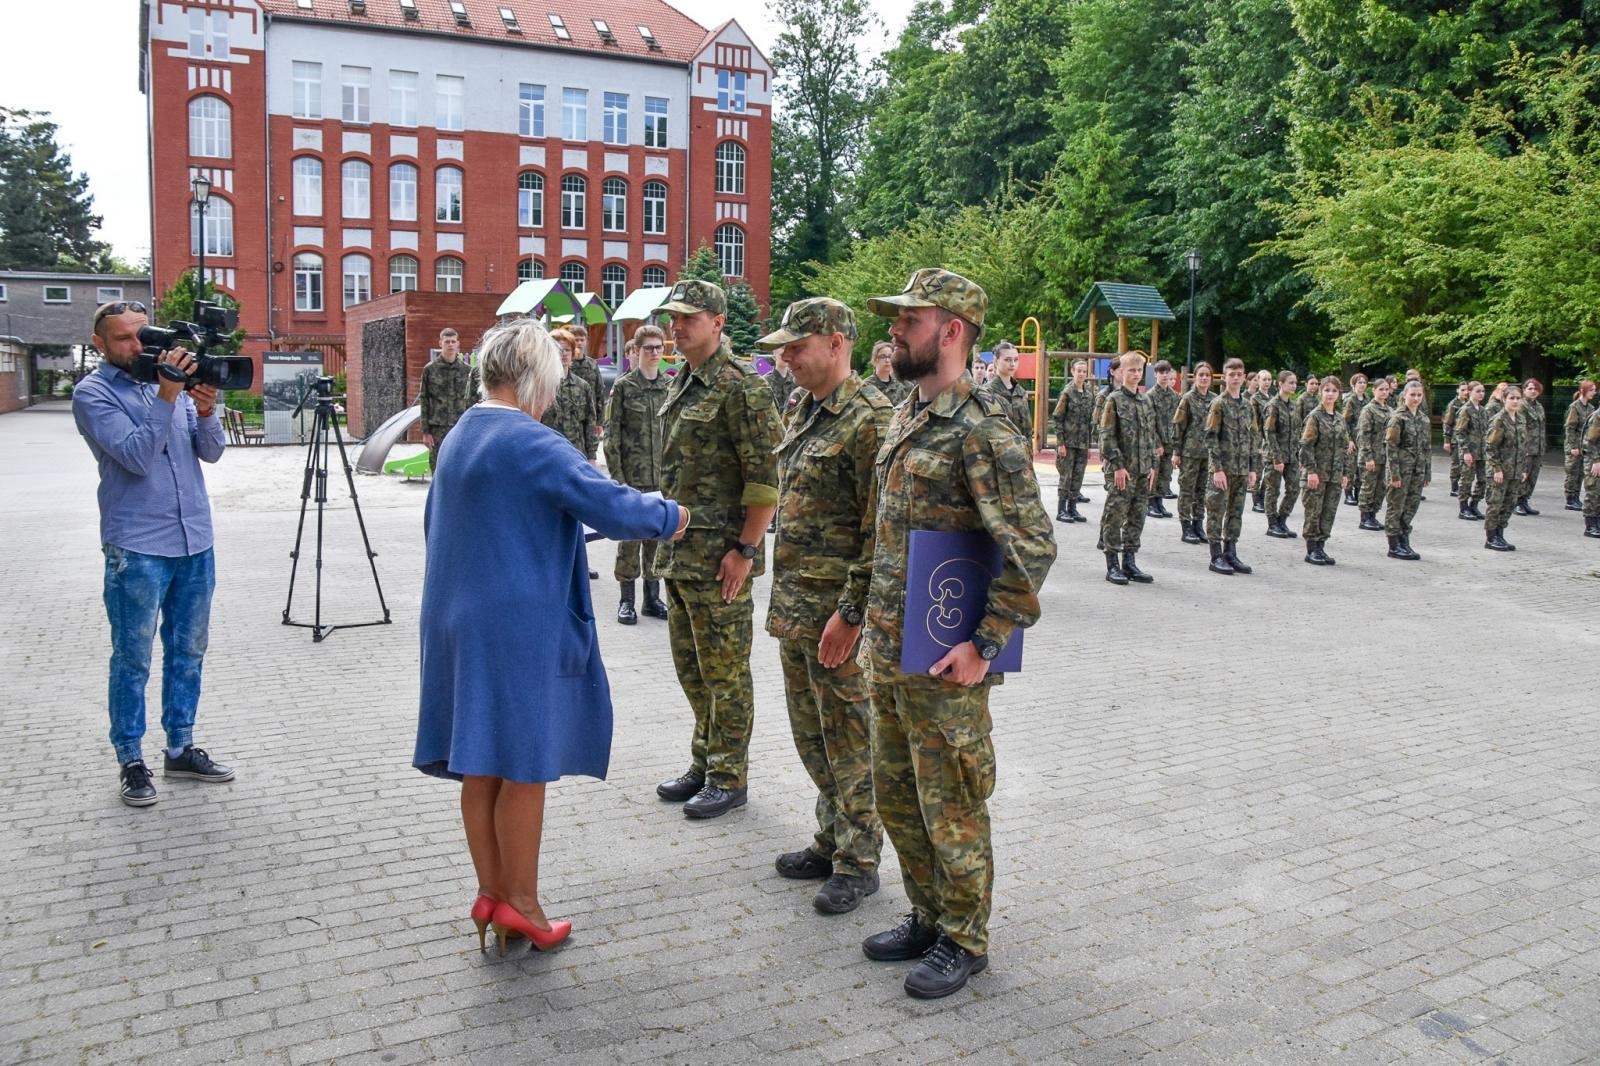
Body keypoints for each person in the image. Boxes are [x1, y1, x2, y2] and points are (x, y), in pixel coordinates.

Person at [413, 319, 689, 956]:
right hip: (514, 627)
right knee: (524, 767)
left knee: (479, 763)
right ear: (536, 378)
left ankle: (492, 893)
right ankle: (525, 906)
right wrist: (673, 515)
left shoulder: (462, 433)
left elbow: (478, 520)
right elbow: (613, 504)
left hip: (457, 619)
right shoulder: (530, 440)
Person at [859, 267, 1055, 1000]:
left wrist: (987, 642)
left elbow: (1031, 545)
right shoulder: (909, 413)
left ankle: (965, 938)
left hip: (944, 665)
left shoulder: (982, 428)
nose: (894, 331)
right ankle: (927, 913)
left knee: (953, 803)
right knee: (898, 795)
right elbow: (884, 536)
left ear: (951, 332)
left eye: (909, 322)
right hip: (890, 652)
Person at [758, 297, 892, 916]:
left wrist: (852, 612)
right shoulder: (803, 407)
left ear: (836, 343)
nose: (784, 358)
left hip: (838, 615)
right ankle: (830, 835)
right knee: (813, 736)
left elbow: (881, 530)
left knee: (850, 739)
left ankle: (859, 860)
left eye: (796, 346)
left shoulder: (871, 418)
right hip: (796, 608)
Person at [73, 300, 235, 807]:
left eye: (143, 333)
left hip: (194, 541)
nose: (138, 345)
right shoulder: (93, 393)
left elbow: (210, 451)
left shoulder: (176, 384)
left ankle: (180, 747)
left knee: (189, 652)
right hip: (138, 545)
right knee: (133, 658)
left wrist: (205, 410)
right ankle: (131, 759)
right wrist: (168, 395)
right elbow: (138, 458)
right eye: (123, 338)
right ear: (100, 344)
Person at [652, 280, 783, 819]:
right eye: (672, 318)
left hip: (721, 559)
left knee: (726, 672)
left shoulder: (741, 388)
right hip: (679, 554)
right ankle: (705, 760)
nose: (675, 326)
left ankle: (730, 776)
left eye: (687, 317)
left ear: (717, 322)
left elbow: (767, 478)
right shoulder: (681, 382)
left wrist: (746, 550)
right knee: (692, 669)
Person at [603, 324, 671, 624]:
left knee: (657, 541)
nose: (654, 352)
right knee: (629, 542)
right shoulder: (624, 387)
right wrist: (619, 480)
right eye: (648, 348)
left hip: (662, 479)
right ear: (637, 350)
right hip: (633, 479)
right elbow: (612, 436)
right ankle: (626, 601)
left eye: (658, 347)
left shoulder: (669, 388)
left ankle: (652, 599)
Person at [1204, 358, 1258, 575]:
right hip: (1223, 469)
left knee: (1235, 512)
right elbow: (1210, 437)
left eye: (1239, 374)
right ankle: (1216, 555)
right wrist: (1217, 468)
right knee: (1217, 511)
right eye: (1231, 374)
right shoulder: (1218, 404)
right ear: (1224, 377)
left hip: (1241, 468)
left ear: (1244, 377)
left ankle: (1230, 551)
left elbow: (1253, 438)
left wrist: (1253, 468)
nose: (1235, 378)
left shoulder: (1248, 405)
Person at [1299, 376, 1351, 564]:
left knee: (1328, 511)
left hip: (1334, 475)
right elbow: (1305, 446)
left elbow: (1344, 448)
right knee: (1314, 511)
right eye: (1327, 390)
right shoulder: (1314, 417)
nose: (1330, 394)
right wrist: (1311, 471)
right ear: (1321, 392)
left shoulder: (1339, 419)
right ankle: (1311, 548)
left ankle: (1321, 546)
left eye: (1334, 391)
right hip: (1317, 474)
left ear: (1339, 394)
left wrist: (1345, 473)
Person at [417, 327, 479, 472]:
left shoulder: (467, 371)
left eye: (453, 341)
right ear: (440, 344)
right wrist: (425, 432)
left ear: (458, 344)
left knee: (461, 464)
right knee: (438, 466)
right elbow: (424, 399)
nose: (450, 345)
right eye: (447, 342)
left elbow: (474, 400)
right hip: (438, 428)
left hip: (461, 426)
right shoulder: (430, 370)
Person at [1384, 379, 1431, 560]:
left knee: (1411, 506)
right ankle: (1394, 544)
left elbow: (1426, 449)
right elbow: (1391, 447)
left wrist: (1427, 472)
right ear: (1404, 396)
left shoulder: (1423, 419)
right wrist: (1394, 474)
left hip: (1417, 471)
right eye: (1412, 395)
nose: (1416, 398)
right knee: (1396, 506)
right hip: (1401, 471)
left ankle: (1404, 539)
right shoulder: (1398, 418)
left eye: (1419, 395)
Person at [1170, 362, 1214, 545]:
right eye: (1201, 375)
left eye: (1207, 375)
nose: (1204, 378)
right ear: (1195, 377)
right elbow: (1178, 426)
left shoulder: (1214, 399)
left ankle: (1198, 523)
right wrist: (1176, 452)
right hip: (1190, 452)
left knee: (1202, 491)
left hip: (1208, 454)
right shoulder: (1187, 398)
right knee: (1187, 490)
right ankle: (1186, 526)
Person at [1482, 385, 1527, 551]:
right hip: (1499, 472)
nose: (1515, 401)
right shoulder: (1499, 420)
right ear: (1504, 399)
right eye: (1511, 398)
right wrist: (1496, 469)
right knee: (1496, 504)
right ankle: (1491, 537)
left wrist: (1522, 469)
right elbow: (1490, 447)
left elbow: (1522, 447)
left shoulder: (1520, 419)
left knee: (1509, 504)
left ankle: (1500, 534)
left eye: (1517, 398)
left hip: (1514, 471)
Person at [1050, 358, 1095, 523]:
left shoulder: (1089, 393)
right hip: (1068, 443)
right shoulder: (1067, 393)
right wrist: (1060, 443)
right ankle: (1061, 510)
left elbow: (1089, 421)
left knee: (1078, 476)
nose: (1082, 374)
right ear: (1072, 372)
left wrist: (1089, 446)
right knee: (1066, 477)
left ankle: (1072, 508)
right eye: (1079, 371)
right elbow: (1057, 418)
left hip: (1082, 443)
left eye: (1084, 371)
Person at [1262, 371, 1303, 539]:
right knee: (1273, 490)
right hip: (1275, 455)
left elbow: (1297, 432)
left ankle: (1282, 519)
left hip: (1291, 455)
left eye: (1295, 383)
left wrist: (1298, 456)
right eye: (1290, 382)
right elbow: (1269, 432)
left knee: (1294, 488)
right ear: (1280, 383)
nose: (1293, 385)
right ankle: (1272, 524)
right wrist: (1276, 458)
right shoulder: (1273, 405)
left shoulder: (1293, 406)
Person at [1356, 377, 1394, 531]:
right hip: (1371, 456)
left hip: (1385, 456)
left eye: (1386, 389)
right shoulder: (1368, 409)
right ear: (1374, 391)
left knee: (1381, 488)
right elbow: (1363, 435)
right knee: (1368, 487)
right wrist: (1368, 457)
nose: (1384, 392)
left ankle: (1373, 514)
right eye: (1381, 389)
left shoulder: (1390, 409)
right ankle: (1365, 518)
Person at [980, 340, 1034, 444]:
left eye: (1016, 360)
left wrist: (1029, 455)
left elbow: (1028, 430)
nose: (1012, 364)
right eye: (1007, 360)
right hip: (995, 454)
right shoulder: (986, 392)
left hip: (1019, 453)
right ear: (996, 361)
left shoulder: (1020, 392)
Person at [1147, 360, 1179, 519]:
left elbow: (1178, 421)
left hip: (1170, 441)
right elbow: (1149, 423)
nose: (1165, 376)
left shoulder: (1174, 396)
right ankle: (1150, 502)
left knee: (1166, 474)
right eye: (1161, 373)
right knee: (1154, 472)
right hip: (1156, 443)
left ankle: (1159, 502)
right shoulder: (1150, 395)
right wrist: (1156, 443)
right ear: (1155, 374)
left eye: (1167, 373)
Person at [1453, 381, 1488, 522]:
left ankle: (1474, 504)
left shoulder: (1483, 410)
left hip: (1482, 452)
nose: (1481, 394)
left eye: (1483, 391)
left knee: (1483, 480)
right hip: (1470, 452)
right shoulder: (1465, 410)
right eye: (1478, 391)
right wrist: (1466, 451)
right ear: (1470, 392)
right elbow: (1460, 432)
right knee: (1466, 480)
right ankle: (1463, 508)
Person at [567, 325, 605, 448]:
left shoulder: (592, 364)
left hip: (589, 415)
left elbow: (599, 391)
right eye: (576, 340)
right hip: (569, 416)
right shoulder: (565, 363)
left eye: (582, 340)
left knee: (590, 449)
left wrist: (600, 421)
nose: (579, 343)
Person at [1563, 379, 1596, 511]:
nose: (1594, 392)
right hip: (1575, 445)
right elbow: (1570, 428)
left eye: (1594, 390)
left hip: (1585, 445)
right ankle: (1570, 499)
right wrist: (1572, 447)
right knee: (1572, 472)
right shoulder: (1574, 407)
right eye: (1591, 390)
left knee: (1581, 473)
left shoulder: (1591, 408)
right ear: (1583, 391)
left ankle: (1576, 497)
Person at [1516, 378, 1545, 516]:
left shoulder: (1538, 406)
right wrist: (1523, 447)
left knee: (1533, 476)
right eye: (1530, 388)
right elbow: (1520, 427)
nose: (1533, 391)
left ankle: (1525, 500)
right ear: (1524, 390)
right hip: (1526, 447)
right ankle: (1517, 502)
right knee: (1523, 475)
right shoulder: (1521, 405)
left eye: (1535, 389)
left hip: (1537, 447)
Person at [1341, 373, 1371, 505]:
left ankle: (1359, 492)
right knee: (1350, 467)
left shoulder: (1367, 399)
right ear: (1353, 384)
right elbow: (1344, 421)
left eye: (1364, 382)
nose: (1362, 385)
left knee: (1361, 467)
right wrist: (1349, 440)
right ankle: (1348, 493)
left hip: (1363, 438)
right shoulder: (1350, 400)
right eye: (1359, 382)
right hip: (1352, 437)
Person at [862, 339, 914, 406]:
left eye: (890, 356)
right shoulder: (866, 386)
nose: (887, 360)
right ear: (874, 360)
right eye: (882, 357)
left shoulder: (905, 386)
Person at [1250, 369, 1273, 512]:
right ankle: (1256, 500)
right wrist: (1257, 443)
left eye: (1269, 379)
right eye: (1264, 379)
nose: (1266, 382)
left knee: (1269, 472)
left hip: (1270, 439)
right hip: (1259, 439)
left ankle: (1263, 496)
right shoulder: (1255, 399)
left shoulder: (1272, 398)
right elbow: (1254, 423)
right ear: (1258, 381)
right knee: (1257, 471)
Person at [1442, 381, 1469, 497]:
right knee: (1456, 463)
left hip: (1466, 439)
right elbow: (1448, 423)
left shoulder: (1469, 403)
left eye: (1467, 390)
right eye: (1462, 390)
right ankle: (1454, 487)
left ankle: (1462, 486)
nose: (1465, 392)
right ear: (1457, 390)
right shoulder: (1453, 404)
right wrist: (1446, 441)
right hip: (1455, 439)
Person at [1582, 403, 1600, 538]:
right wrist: (1596, 460)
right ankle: (1590, 526)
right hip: (1595, 461)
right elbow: (1589, 441)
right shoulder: (1597, 417)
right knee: (1593, 492)